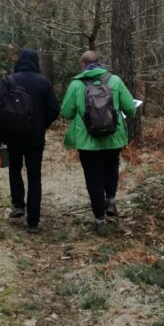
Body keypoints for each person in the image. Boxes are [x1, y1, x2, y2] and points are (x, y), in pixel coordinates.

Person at [60, 50, 136, 231]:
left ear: (82, 64)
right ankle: (111, 200)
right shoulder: (115, 80)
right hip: (113, 138)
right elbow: (131, 110)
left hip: (87, 142)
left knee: (93, 177)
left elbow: (66, 112)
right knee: (111, 167)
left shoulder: (76, 84)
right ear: (100, 63)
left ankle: (100, 219)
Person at [0, 48, 59, 233]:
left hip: (12, 135)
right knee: (34, 175)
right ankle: (33, 222)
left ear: (19, 61)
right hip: (35, 137)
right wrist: (42, 124)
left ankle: (18, 206)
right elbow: (54, 109)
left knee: (14, 169)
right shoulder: (44, 82)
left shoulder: (9, 81)